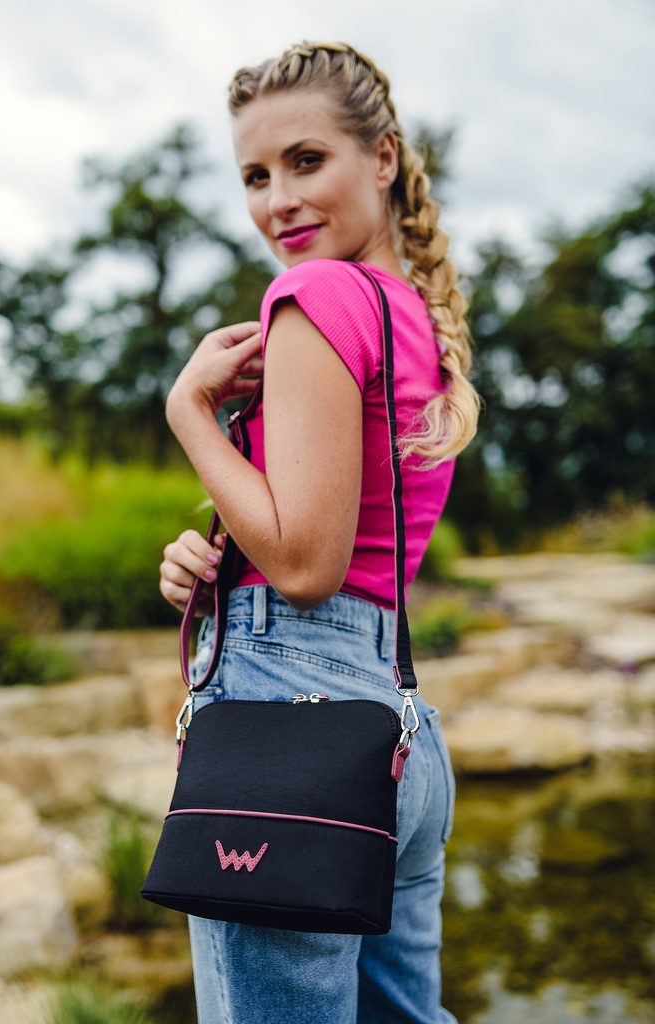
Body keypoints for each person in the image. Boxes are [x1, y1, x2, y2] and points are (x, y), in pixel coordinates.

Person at [158, 40, 480, 1024]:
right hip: (395, 732)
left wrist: (187, 412)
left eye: (306, 161)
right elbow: (349, 546)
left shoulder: (318, 296)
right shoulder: (413, 318)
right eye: (255, 176)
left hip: (286, 730)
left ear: (382, 157)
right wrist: (213, 571)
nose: (279, 202)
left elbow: (303, 565)